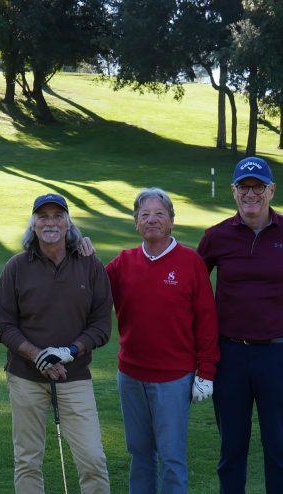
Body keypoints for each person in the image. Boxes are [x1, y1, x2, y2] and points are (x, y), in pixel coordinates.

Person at [196, 157, 283, 494]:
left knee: (278, 448)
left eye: (258, 187)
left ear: (271, 190)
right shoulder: (216, 237)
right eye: (243, 188)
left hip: (277, 355)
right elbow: (194, 291)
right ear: (233, 191)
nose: (251, 194)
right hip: (229, 355)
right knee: (231, 450)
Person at [0, 193, 113, 494]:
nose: (50, 222)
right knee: (28, 460)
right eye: (42, 216)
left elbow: (101, 326)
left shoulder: (90, 265)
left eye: (57, 215)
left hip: (75, 377)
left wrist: (68, 352)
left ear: (68, 223)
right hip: (25, 378)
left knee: (92, 459)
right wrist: (37, 356)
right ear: (33, 224)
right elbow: (2, 325)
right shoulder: (16, 267)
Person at [105, 187, 220, 494]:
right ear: (136, 223)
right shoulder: (123, 263)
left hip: (173, 378)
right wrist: (82, 249)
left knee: (171, 457)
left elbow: (207, 322)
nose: (152, 220)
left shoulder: (190, 262)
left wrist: (206, 372)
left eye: (159, 214)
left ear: (171, 221)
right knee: (139, 454)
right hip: (130, 375)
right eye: (145, 214)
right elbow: (90, 291)